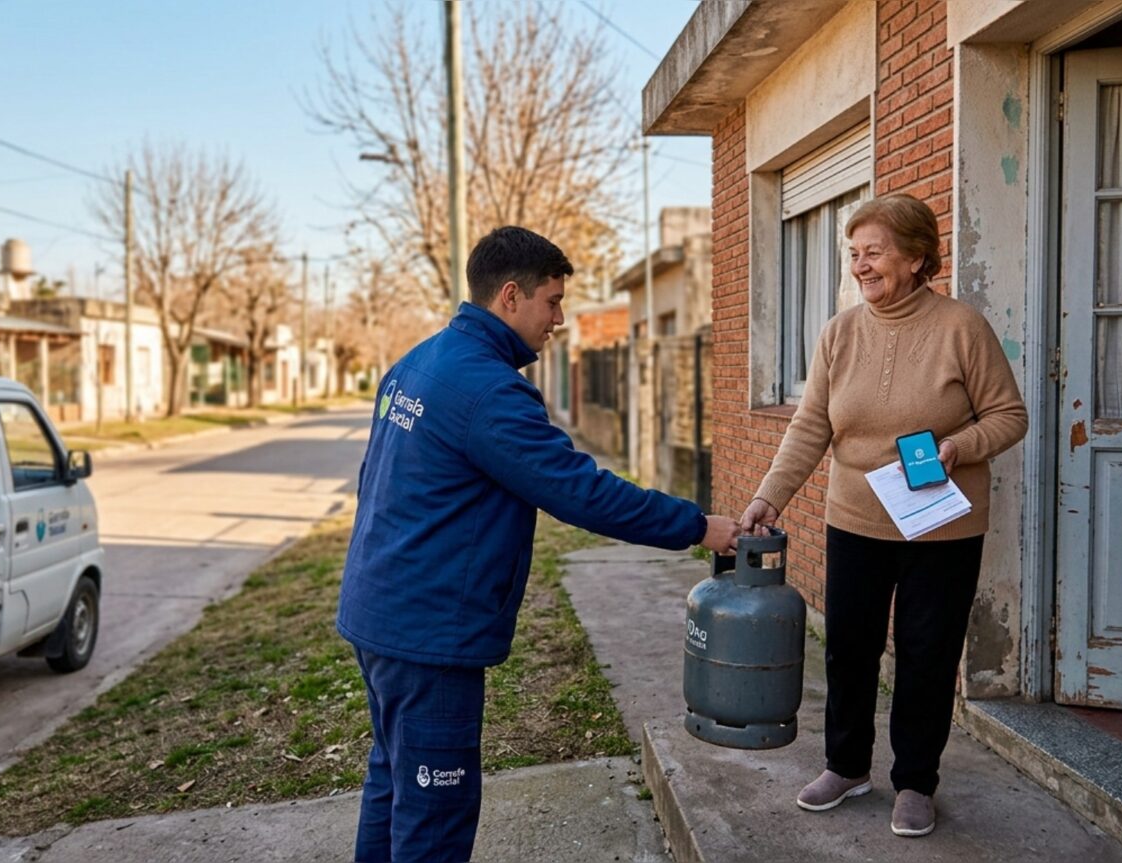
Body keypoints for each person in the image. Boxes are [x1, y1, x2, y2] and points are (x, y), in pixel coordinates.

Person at [337, 225, 739, 863]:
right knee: (434, 810)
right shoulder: (491, 392)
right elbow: (580, 492)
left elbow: (372, 481)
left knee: (393, 779)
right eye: (552, 302)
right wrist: (698, 526)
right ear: (510, 296)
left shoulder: (417, 362)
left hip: (379, 610)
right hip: (428, 632)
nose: (559, 318)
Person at [739, 193, 1027, 839]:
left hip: (941, 527)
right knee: (849, 649)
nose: (861, 266)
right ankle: (846, 765)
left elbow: (1010, 414)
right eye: (854, 254)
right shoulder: (839, 332)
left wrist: (960, 447)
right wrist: (769, 495)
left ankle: (916, 780)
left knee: (927, 654)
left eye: (874, 252)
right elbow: (811, 425)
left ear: (916, 257)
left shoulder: (961, 327)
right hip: (856, 519)